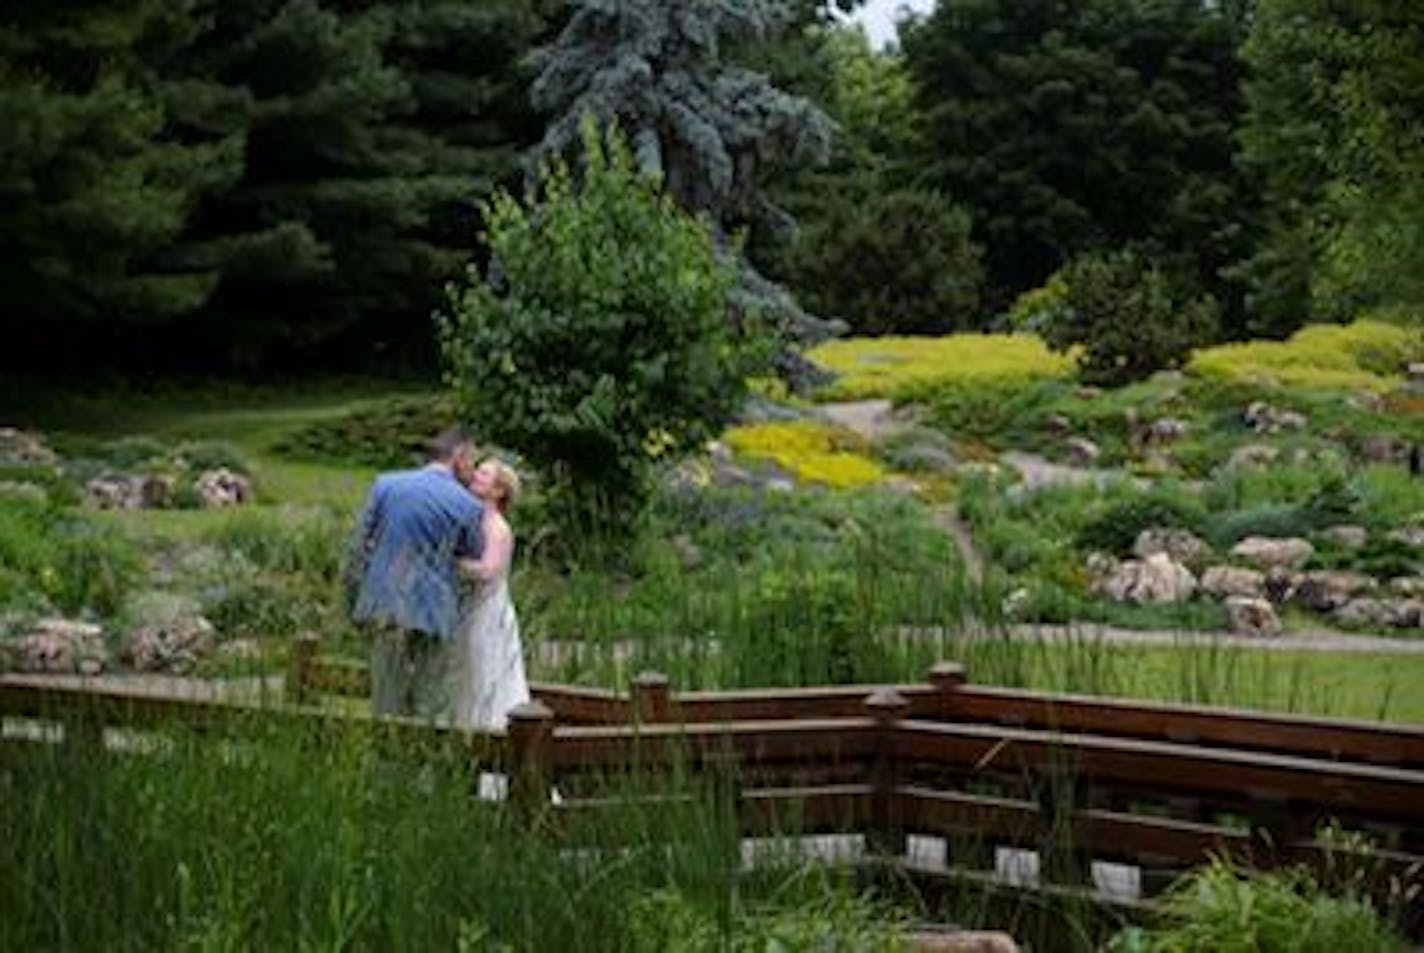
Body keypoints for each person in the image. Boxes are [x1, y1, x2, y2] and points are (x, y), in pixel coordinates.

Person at [344, 429, 484, 719]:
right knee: (429, 701)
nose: (473, 470)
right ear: (458, 456)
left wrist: (354, 600)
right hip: (435, 610)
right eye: (472, 461)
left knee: (385, 699)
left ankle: (384, 760)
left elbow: (358, 548)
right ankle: (420, 760)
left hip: (384, 604)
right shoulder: (467, 505)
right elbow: (473, 553)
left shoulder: (386, 485)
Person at [451, 457, 530, 731]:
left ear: (498, 490)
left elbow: (488, 571)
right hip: (468, 607)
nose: (477, 476)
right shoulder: (471, 520)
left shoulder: (497, 527)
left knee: (486, 669)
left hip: (488, 612)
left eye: (484, 474)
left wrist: (452, 563)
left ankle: (493, 733)